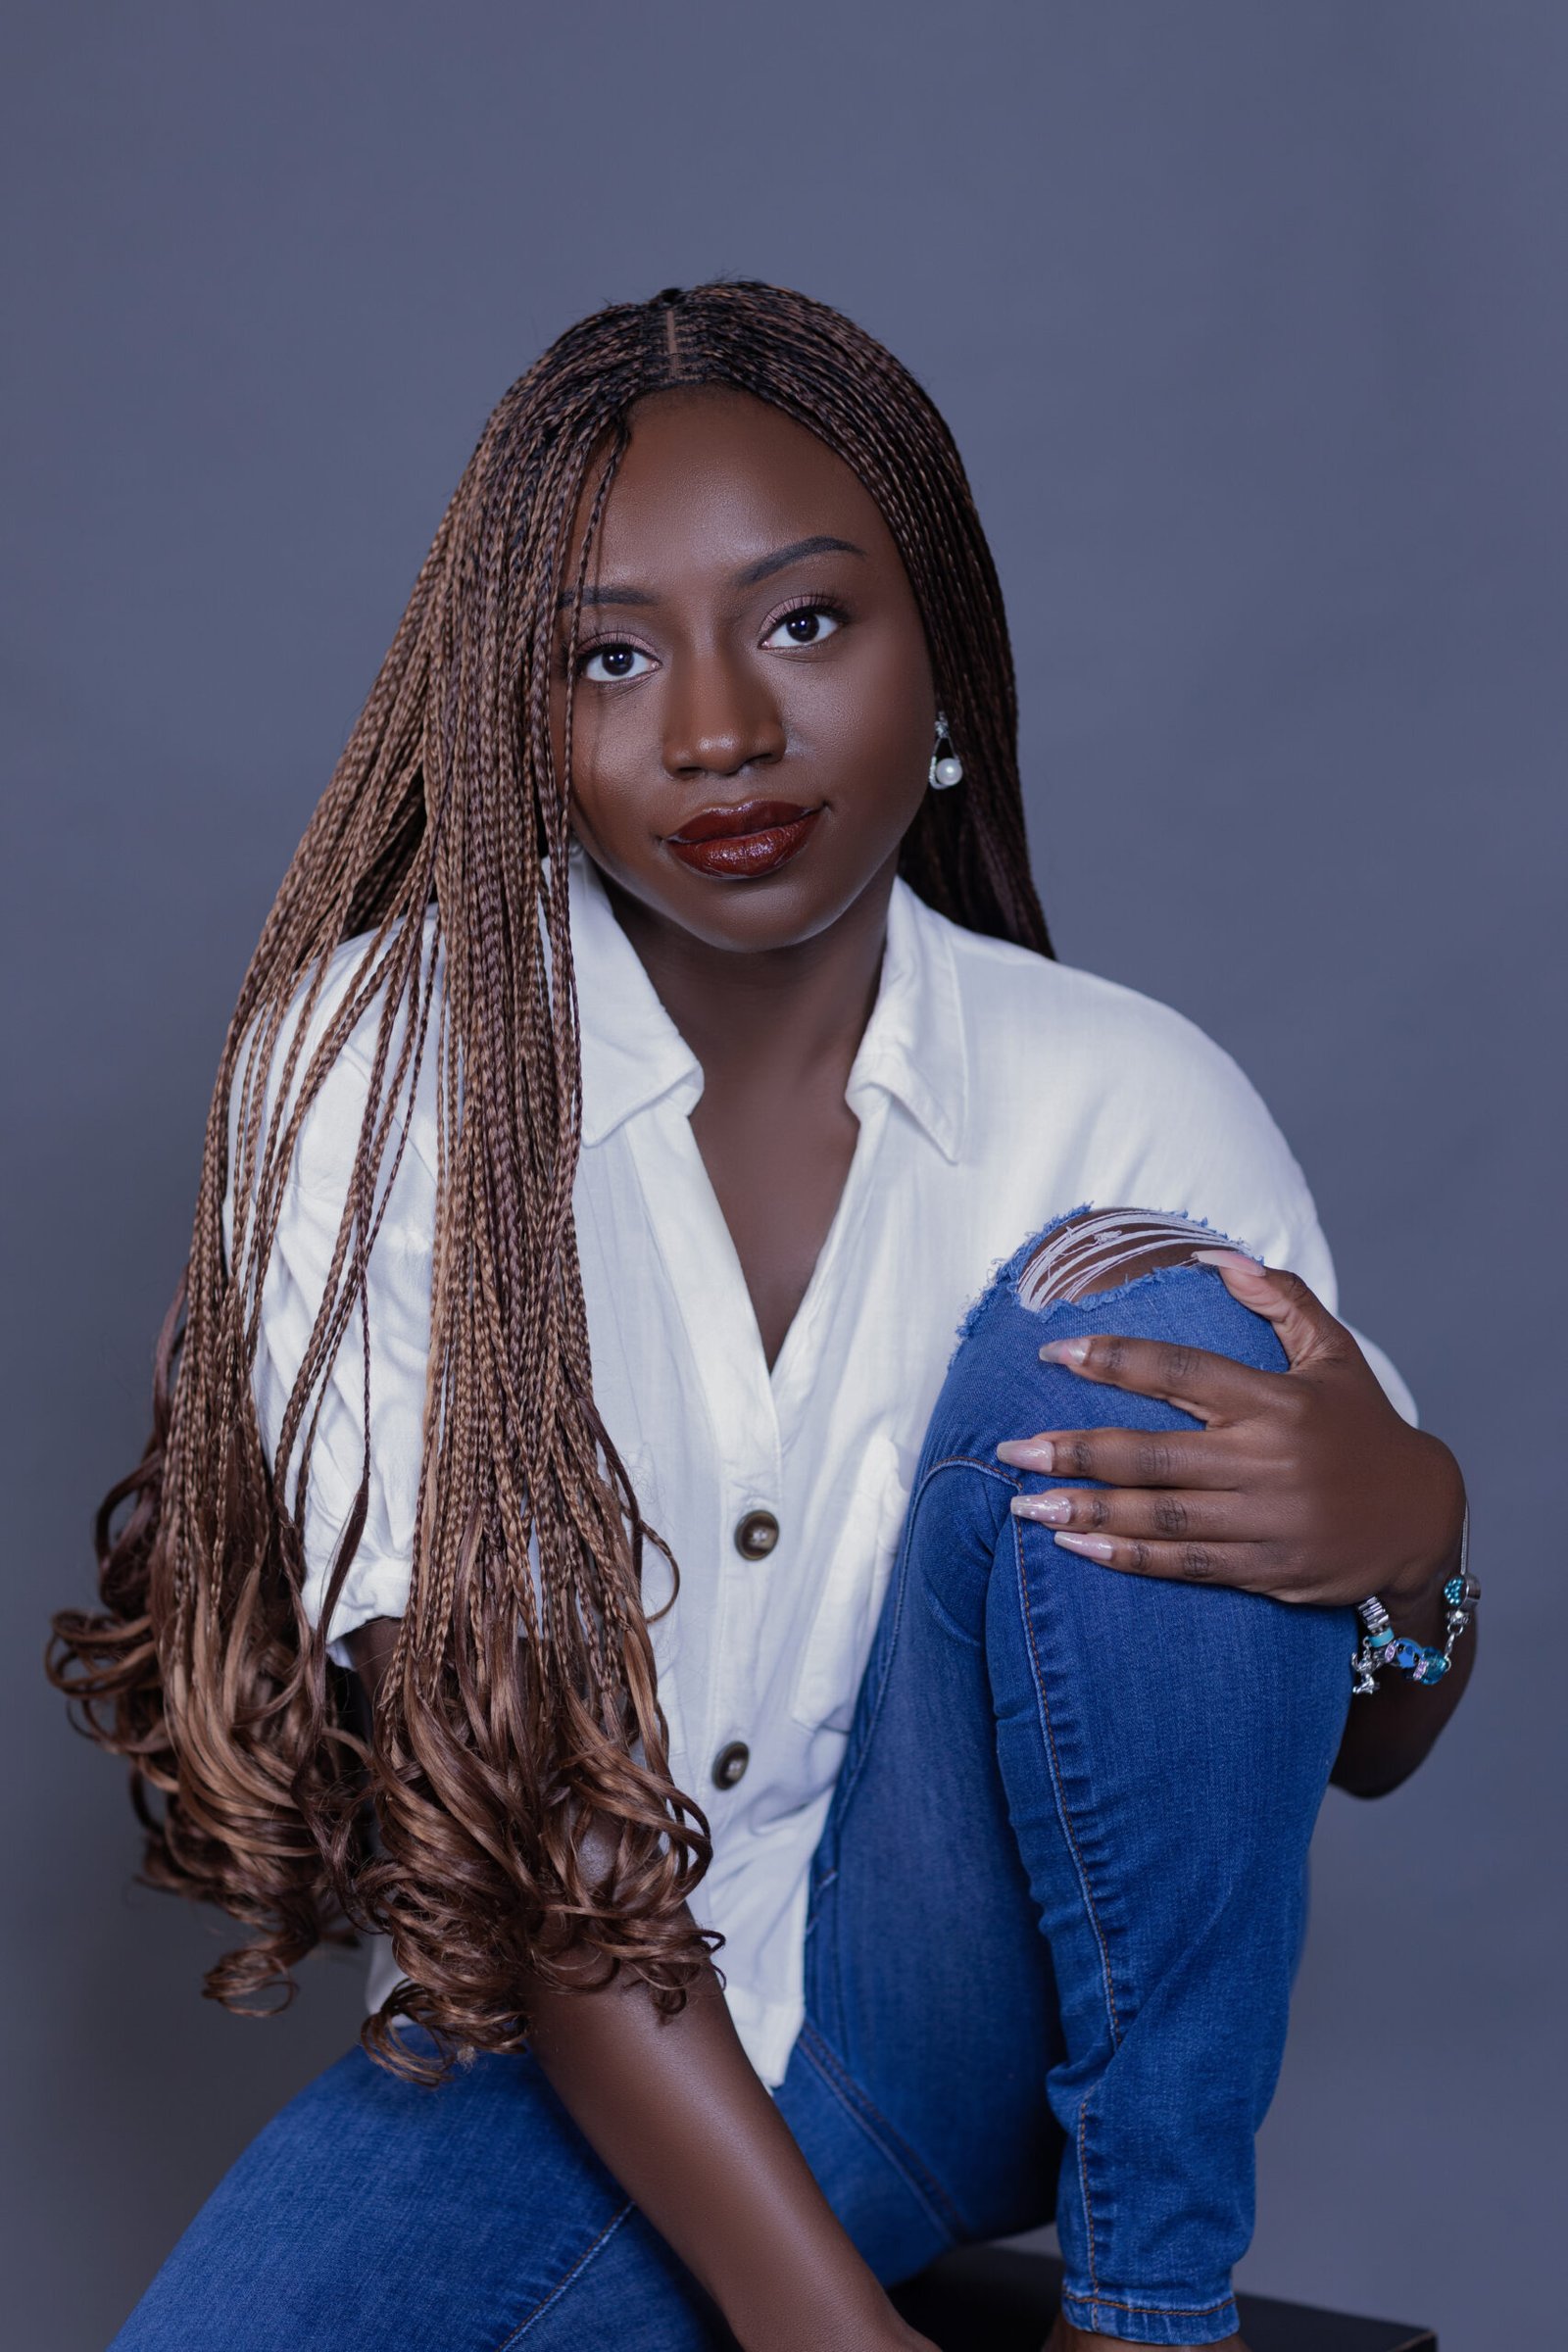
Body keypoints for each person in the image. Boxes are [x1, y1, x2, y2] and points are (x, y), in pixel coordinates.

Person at [52, 281, 1474, 2352]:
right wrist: (826, 2328)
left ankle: (1146, 2313)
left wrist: (1415, 1547)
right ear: (514, 717)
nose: (716, 731)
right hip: (563, 2027)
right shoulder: (375, 1072)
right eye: (609, 658)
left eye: (804, 623)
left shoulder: (1126, 1093)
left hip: (966, 2017)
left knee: (1139, 1332)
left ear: (940, 649)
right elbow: (517, 1799)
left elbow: (1348, 1747)